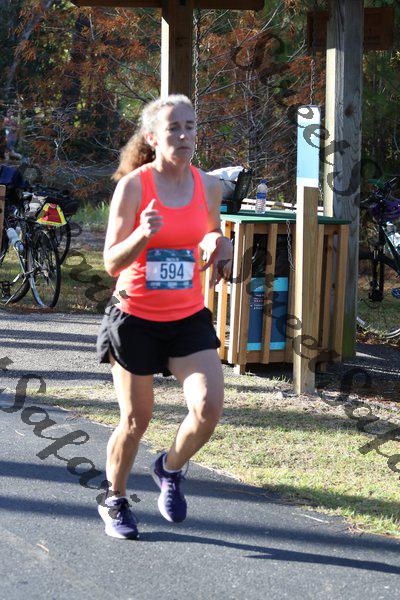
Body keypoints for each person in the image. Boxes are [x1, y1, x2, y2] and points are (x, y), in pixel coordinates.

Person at [96, 94, 233, 540]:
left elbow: (209, 230)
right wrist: (142, 234)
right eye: (174, 128)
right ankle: (114, 499)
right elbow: (111, 262)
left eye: (190, 126)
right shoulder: (134, 187)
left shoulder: (208, 185)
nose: (184, 135)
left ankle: (169, 468)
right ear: (153, 138)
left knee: (208, 408)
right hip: (135, 317)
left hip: (187, 317)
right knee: (136, 421)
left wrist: (219, 243)